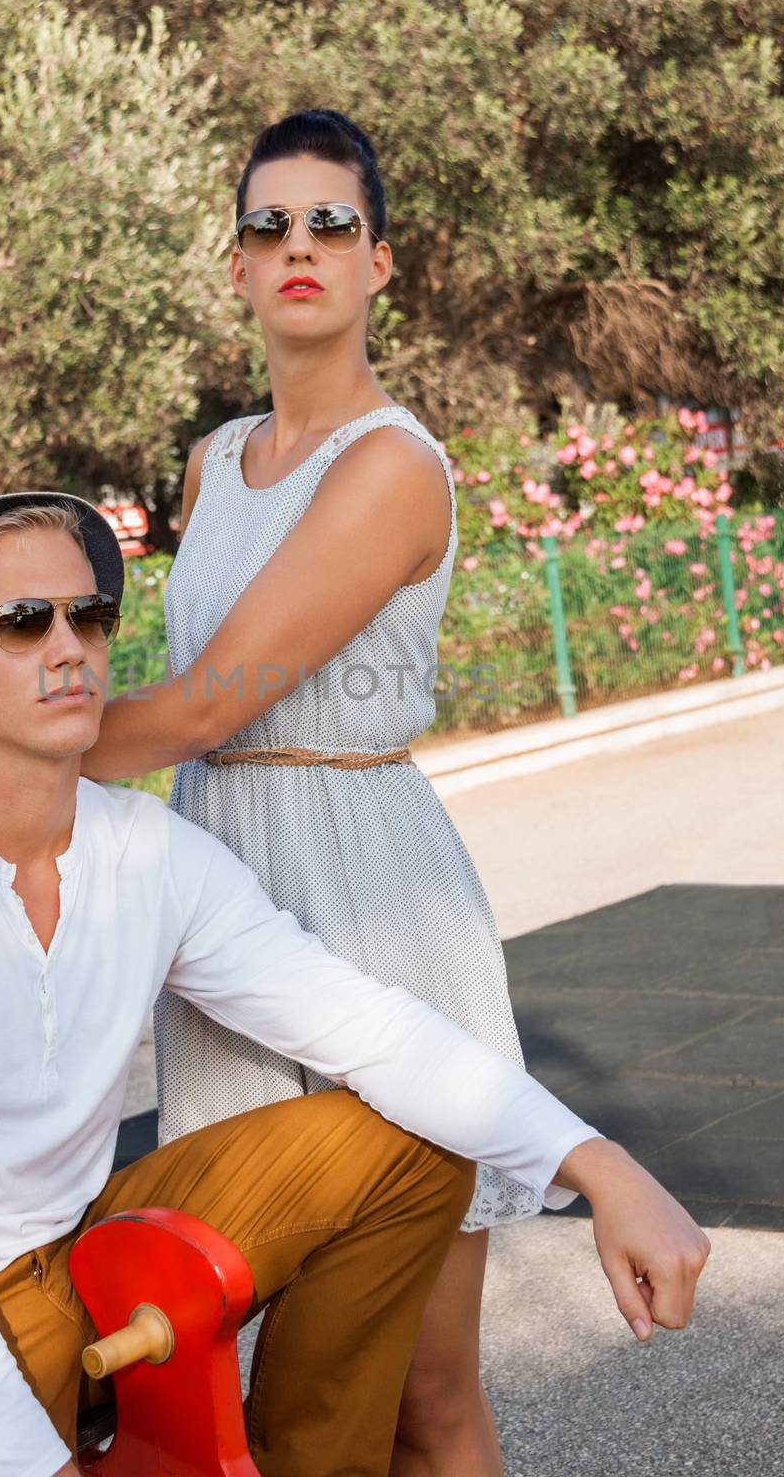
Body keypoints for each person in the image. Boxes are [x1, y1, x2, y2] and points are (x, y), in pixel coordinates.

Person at [0, 487, 709, 1477]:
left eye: (90, 615)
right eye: (23, 622)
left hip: (67, 1270)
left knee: (405, 1142)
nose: (68, 646)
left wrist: (599, 1166)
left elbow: (366, 1026)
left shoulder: (147, 851)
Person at [71, 108, 675, 1475]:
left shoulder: (393, 465)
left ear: (377, 265)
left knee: (421, 1392)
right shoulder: (212, 463)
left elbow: (205, 705)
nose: (299, 248)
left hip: (368, 897)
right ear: (233, 267)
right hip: (224, 898)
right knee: (264, 1374)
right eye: (267, 225)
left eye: (329, 225)